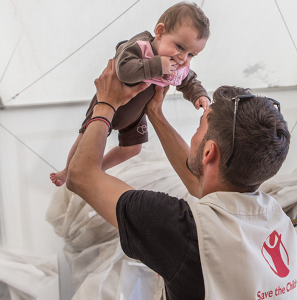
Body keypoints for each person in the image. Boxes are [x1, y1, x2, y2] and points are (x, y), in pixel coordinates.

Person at [66, 59, 297, 300]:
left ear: (208, 152)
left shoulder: (178, 227)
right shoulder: (277, 219)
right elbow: (204, 184)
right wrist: (154, 113)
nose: (194, 136)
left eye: (199, 128)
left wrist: (105, 104)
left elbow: (80, 175)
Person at [50, 2, 211, 186]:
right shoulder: (140, 46)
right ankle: (67, 170)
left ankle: (98, 168)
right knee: (86, 139)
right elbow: (124, 70)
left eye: (192, 54)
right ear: (160, 32)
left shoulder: (177, 63)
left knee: (133, 149)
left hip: (135, 114)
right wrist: (157, 65)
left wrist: (198, 94)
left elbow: (187, 79)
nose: (183, 59)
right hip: (109, 104)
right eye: (180, 47)